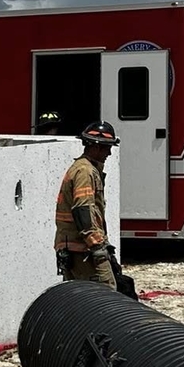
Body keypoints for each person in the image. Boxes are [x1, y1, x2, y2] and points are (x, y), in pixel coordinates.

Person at [54, 121, 119, 287]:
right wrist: (97, 245)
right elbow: (82, 210)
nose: (109, 153)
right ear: (95, 147)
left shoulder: (83, 168)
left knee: (80, 297)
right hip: (83, 249)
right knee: (105, 294)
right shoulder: (85, 171)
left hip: (76, 248)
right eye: (107, 148)